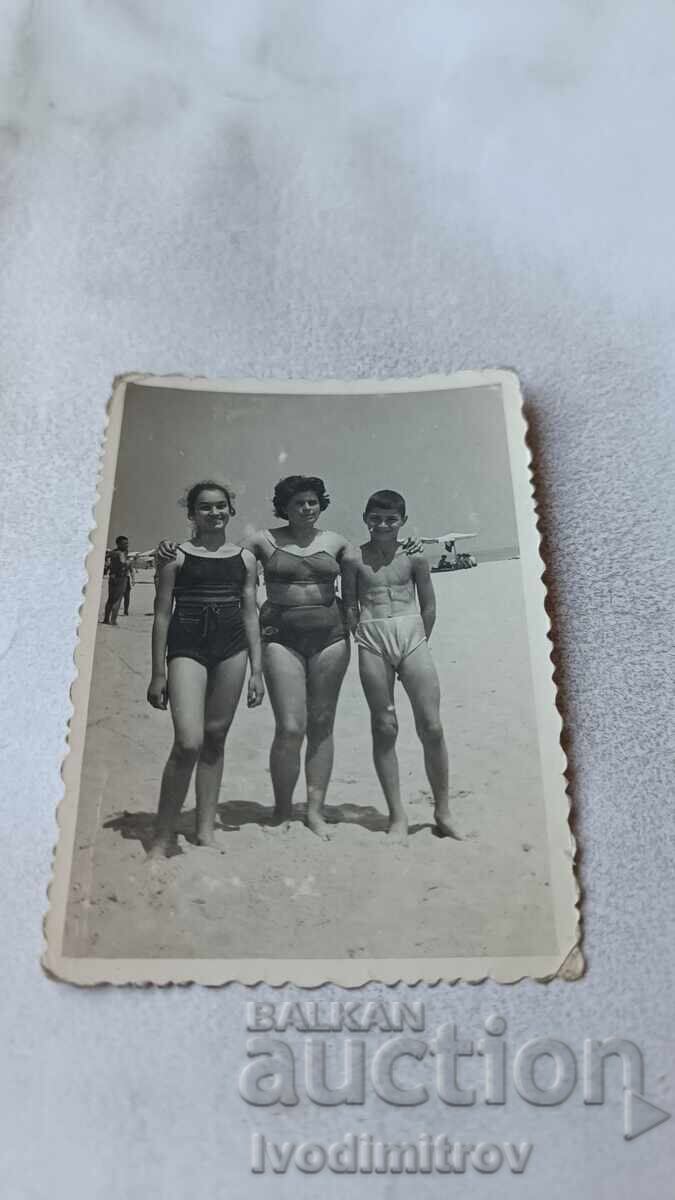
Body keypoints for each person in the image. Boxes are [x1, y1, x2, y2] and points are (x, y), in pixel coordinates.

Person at [158, 475, 422, 838]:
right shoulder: (262, 541)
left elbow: (378, 552)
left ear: (321, 504)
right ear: (285, 507)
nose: (306, 508)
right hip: (281, 636)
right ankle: (283, 808)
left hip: (330, 637)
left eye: (312, 502)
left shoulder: (339, 543)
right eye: (298, 503)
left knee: (322, 722)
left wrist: (409, 541)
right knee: (290, 726)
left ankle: (313, 810)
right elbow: (216, 556)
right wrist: (169, 549)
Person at [146, 481, 264, 857]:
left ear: (231, 510)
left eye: (221, 506)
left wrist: (256, 670)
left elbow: (250, 612)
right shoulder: (175, 557)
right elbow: (162, 615)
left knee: (215, 739)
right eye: (205, 507)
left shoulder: (245, 558)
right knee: (188, 742)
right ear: (191, 514)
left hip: (232, 649)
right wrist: (158, 672)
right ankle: (163, 835)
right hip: (187, 648)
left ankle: (205, 830)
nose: (214, 513)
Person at [341, 489, 460, 843]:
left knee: (432, 726)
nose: (382, 525)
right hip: (372, 638)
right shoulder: (353, 559)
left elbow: (430, 605)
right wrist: (362, 636)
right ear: (365, 519)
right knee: (385, 726)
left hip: (412, 636)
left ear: (403, 522)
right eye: (375, 518)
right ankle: (397, 815)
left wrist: (420, 639)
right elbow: (349, 604)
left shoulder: (415, 558)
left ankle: (443, 810)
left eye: (391, 519)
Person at [103, 535, 131, 625]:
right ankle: (113, 620)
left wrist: (109, 566)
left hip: (112, 577)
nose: (127, 545)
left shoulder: (113, 552)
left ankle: (106, 619)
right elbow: (123, 562)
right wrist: (129, 562)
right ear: (119, 544)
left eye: (127, 543)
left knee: (110, 599)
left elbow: (106, 557)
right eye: (124, 544)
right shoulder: (121, 553)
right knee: (117, 600)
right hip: (121, 578)